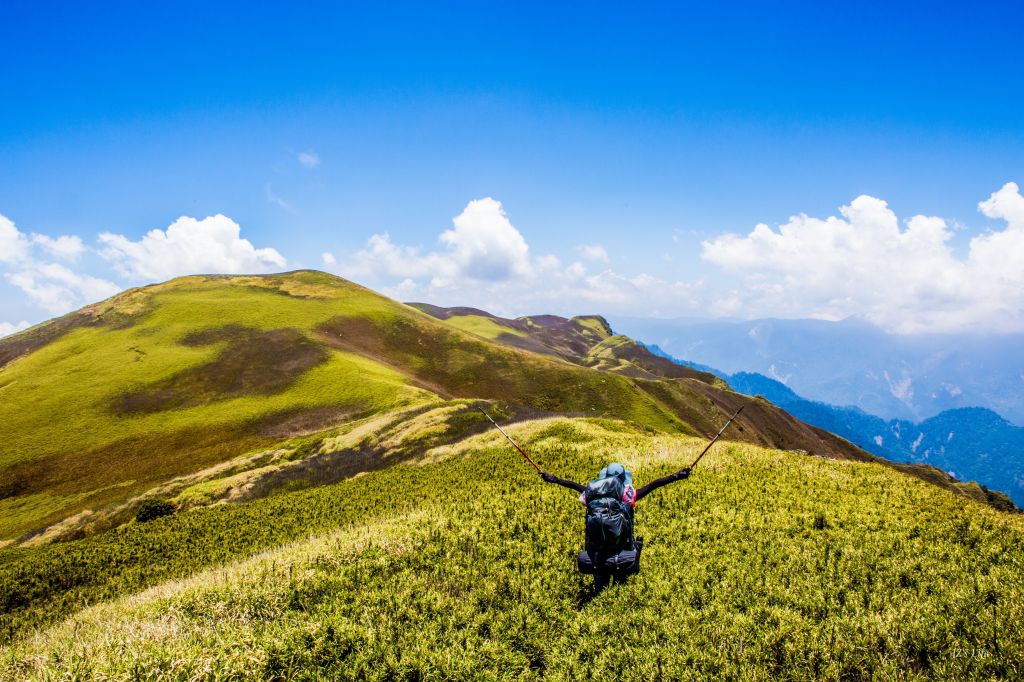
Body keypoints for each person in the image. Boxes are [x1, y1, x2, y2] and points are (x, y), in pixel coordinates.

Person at [541, 461, 691, 591]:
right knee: (620, 590)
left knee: (599, 590)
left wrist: (555, 479)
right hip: (621, 552)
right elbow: (654, 484)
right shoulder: (628, 495)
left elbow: (574, 485)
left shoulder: (591, 493)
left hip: (596, 554)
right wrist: (677, 475)